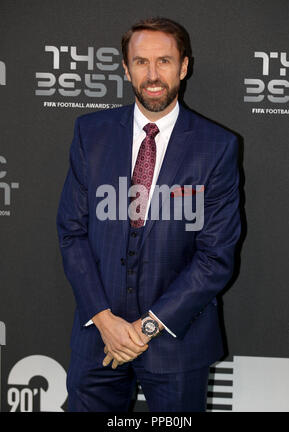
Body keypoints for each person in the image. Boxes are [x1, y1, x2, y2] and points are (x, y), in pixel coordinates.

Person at [56, 16, 241, 412]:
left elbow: (215, 257)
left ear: (184, 66)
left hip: (177, 345)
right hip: (97, 342)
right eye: (141, 62)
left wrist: (145, 329)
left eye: (164, 61)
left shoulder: (218, 147)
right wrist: (106, 321)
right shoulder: (91, 133)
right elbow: (72, 232)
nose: (153, 74)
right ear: (125, 68)